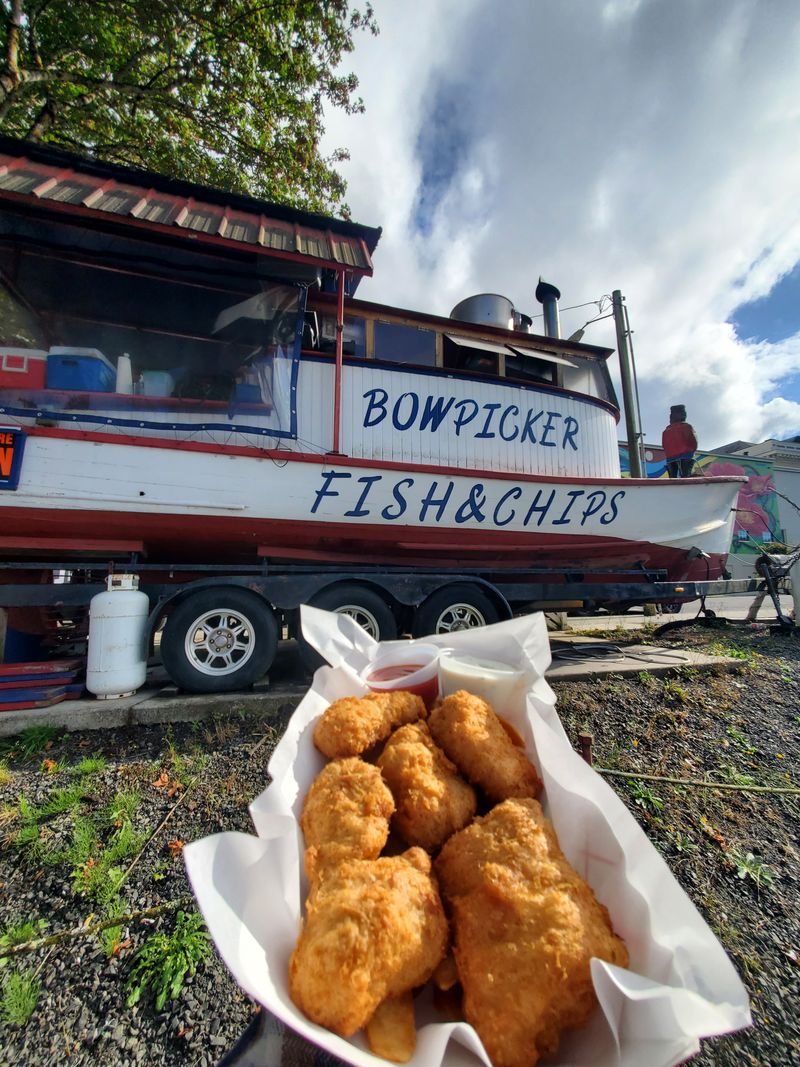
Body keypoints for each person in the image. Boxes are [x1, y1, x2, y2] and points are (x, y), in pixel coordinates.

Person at [662, 404, 697, 478]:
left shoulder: (665, 431)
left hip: (670, 458)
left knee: (672, 477)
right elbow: (694, 443)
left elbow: (664, 446)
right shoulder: (687, 427)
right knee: (686, 475)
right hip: (686, 456)